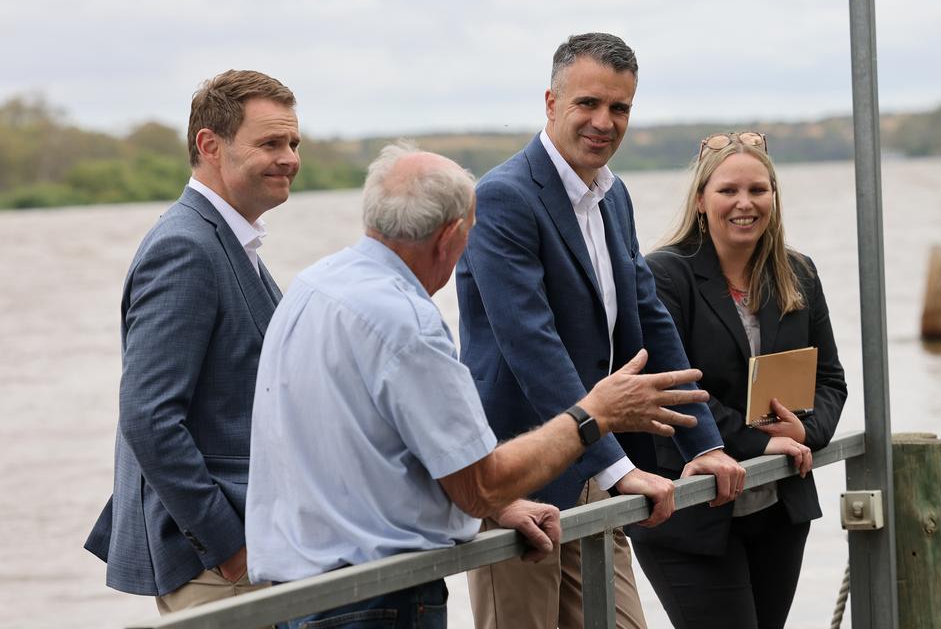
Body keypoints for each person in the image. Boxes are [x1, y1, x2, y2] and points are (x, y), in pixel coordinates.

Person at [245, 143, 710, 629]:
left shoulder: (314, 286)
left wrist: (500, 504)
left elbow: (366, 445)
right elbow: (479, 484)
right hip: (377, 597)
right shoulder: (408, 324)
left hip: (296, 595)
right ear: (449, 239)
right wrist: (595, 414)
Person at [456, 32, 746, 629]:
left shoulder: (613, 195)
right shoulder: (503, 197)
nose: (603, 122)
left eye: (619, 108)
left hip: (591, 468)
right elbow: (531, 347)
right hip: (516, 477)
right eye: (588, 103)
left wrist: (706, 446)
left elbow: (650, 323)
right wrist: (620, 468)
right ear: (551, 102)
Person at [84, 70, 301, 618]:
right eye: (271, 143)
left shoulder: (229, 238)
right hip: (218, 568)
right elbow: (149, 417)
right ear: (210, 145)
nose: (291, 158)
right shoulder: (185, 248)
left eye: (294, 142)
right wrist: (230, 549)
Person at [636, 131, 848, 629]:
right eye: (729, 190)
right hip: (690, 512)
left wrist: (802, 433)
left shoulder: (798, 273)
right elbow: (673, 390)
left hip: (778, 507)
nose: (744, 203)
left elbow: (831, 381)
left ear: (774, 197)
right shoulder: (664, 275)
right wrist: (760, 442)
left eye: (758, 190)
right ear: (701, 200)